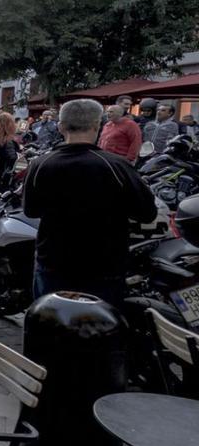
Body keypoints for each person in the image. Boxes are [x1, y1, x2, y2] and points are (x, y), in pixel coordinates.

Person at [23, 99, 157, 305]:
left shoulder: (40, 164)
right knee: (100, 328)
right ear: (98, 126)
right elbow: (147, 212)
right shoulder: (116, 165)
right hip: (104, 262)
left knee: (51, 324)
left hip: (54, 260)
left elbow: (31, 211)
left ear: (61, 127)